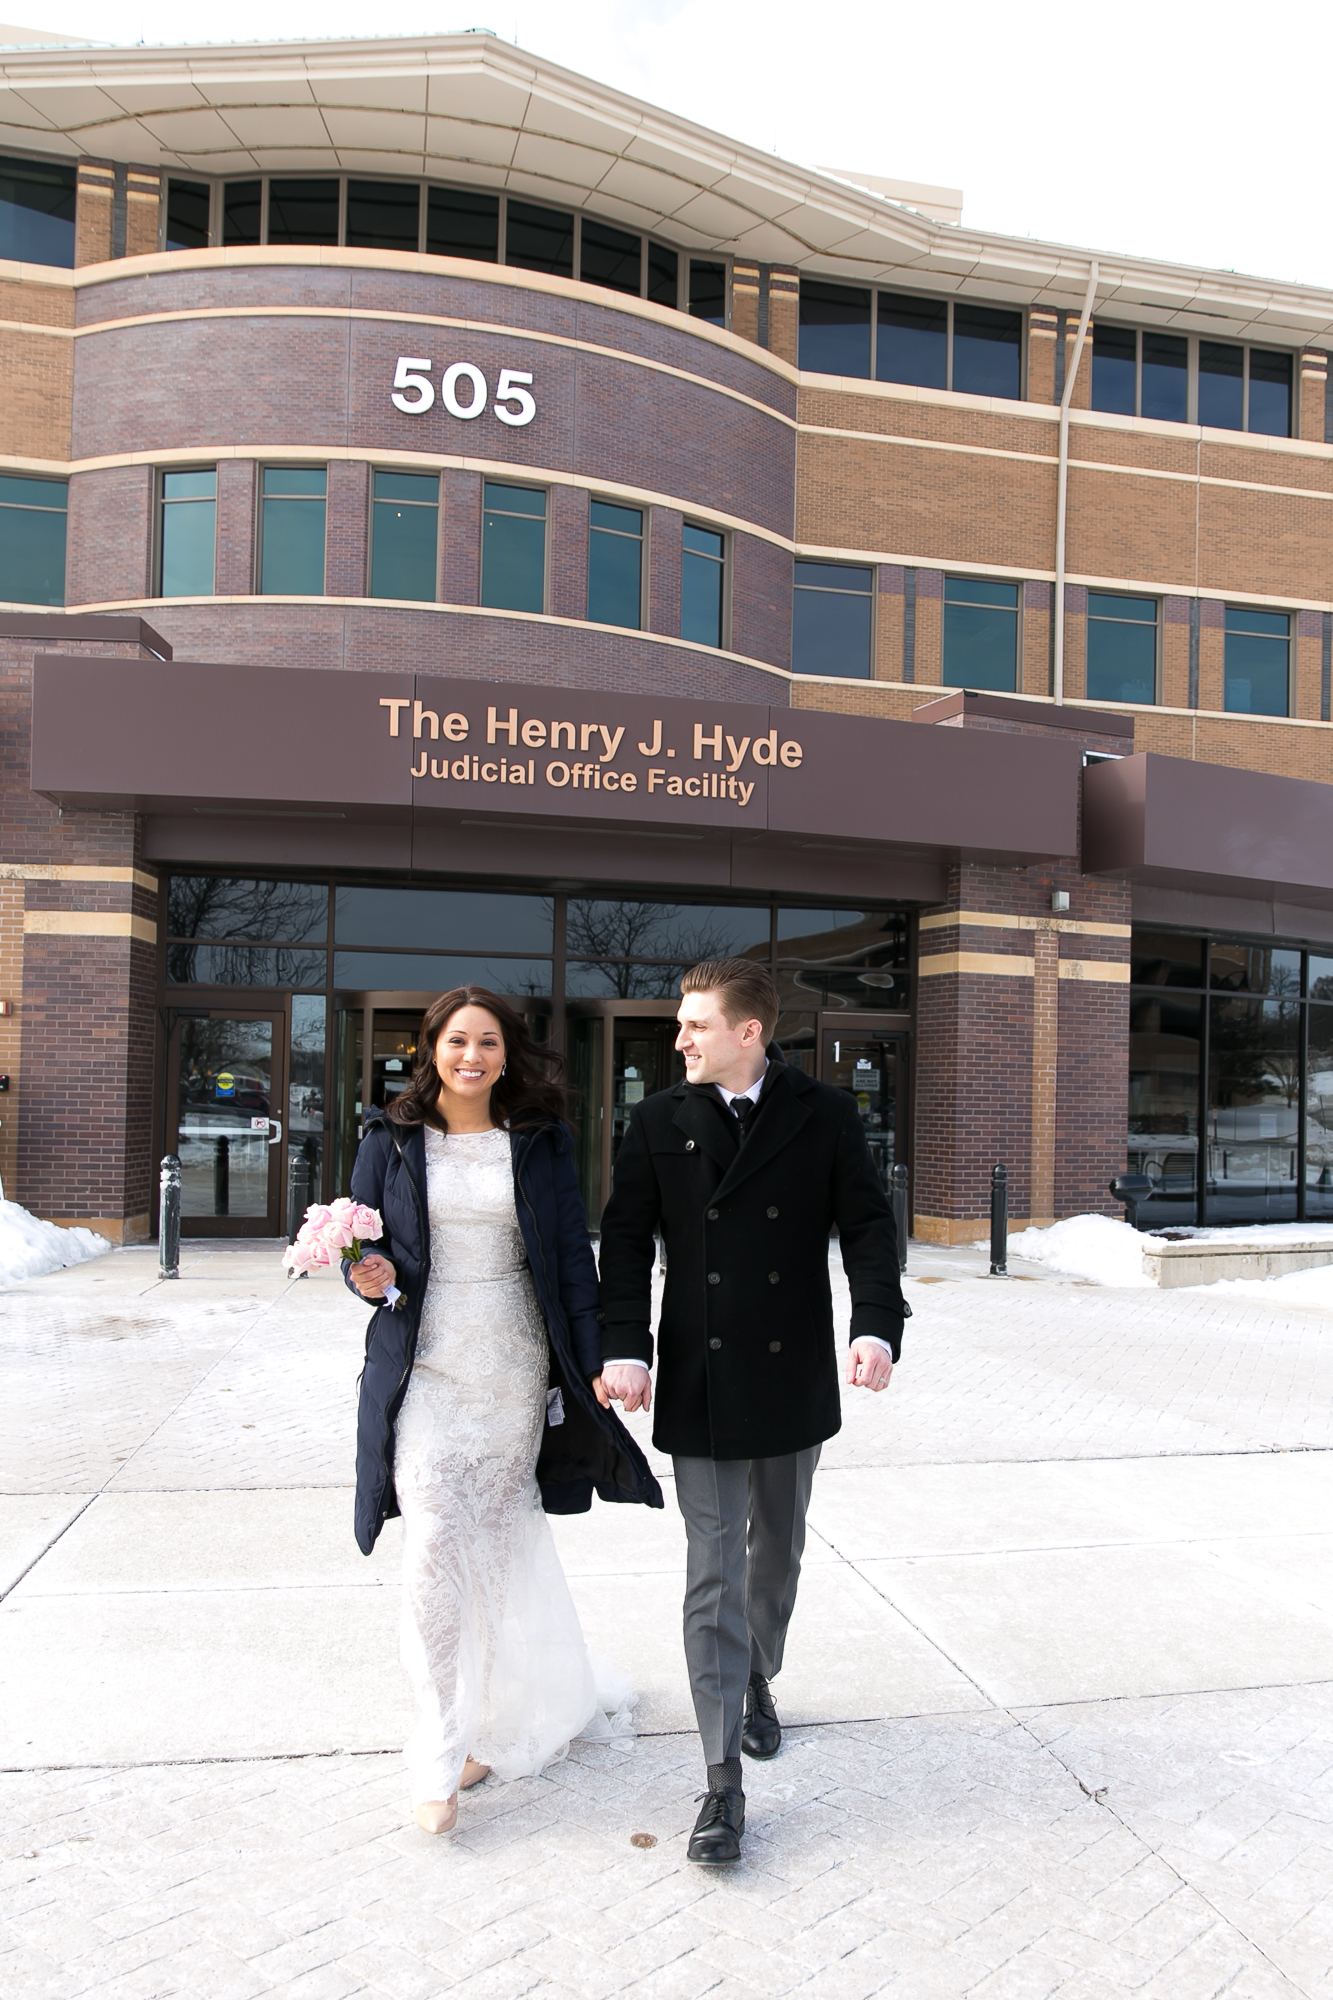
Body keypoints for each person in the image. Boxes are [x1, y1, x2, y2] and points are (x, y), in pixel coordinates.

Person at [596, 958, 907, 1864]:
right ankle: (721, 1779)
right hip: (698, 1373)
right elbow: (622, 1239)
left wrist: (876, 1325)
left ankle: (756, 1671)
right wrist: (625, 1347)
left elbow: (867, 1226)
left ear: (748, 1033)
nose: (680, 1039)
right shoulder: (658, 1119)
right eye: (680, 1025)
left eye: (696, 1025)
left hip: (792, 1369)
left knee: (778, 1548)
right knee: (711, 1572)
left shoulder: (825, 1115)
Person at [346, 986, 662, 1835]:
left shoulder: (539, 1142)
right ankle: (437, 1753)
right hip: (426, 1367)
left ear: (506, 1053)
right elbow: (365, 1248)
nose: (471, 1056)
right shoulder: (390, 1138)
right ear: (430, 1048)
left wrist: (596, 1360)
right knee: (432, 1546)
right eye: (456, 1041)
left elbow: (567, 1256)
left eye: (487, 1042)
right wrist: (363, 1273)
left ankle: (487, 1725)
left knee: (490, 1553)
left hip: (513, 1365)